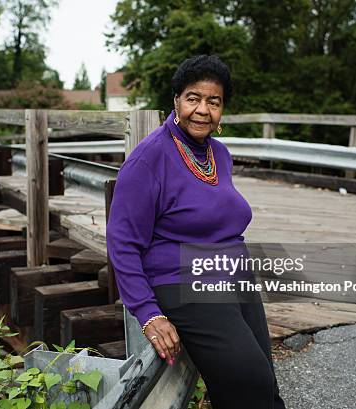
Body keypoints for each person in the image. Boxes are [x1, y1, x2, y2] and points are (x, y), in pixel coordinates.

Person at [106, 55, 286, 408]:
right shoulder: (149, 159)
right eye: (193, 98)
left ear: (222, 110)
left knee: (258, 384)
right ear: (176, 101)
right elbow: (122, 241)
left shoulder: (219, 154)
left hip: (235, 277)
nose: (202, 109)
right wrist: (149, 314)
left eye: (213, 101)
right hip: (183, 280)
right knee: (253, 383)